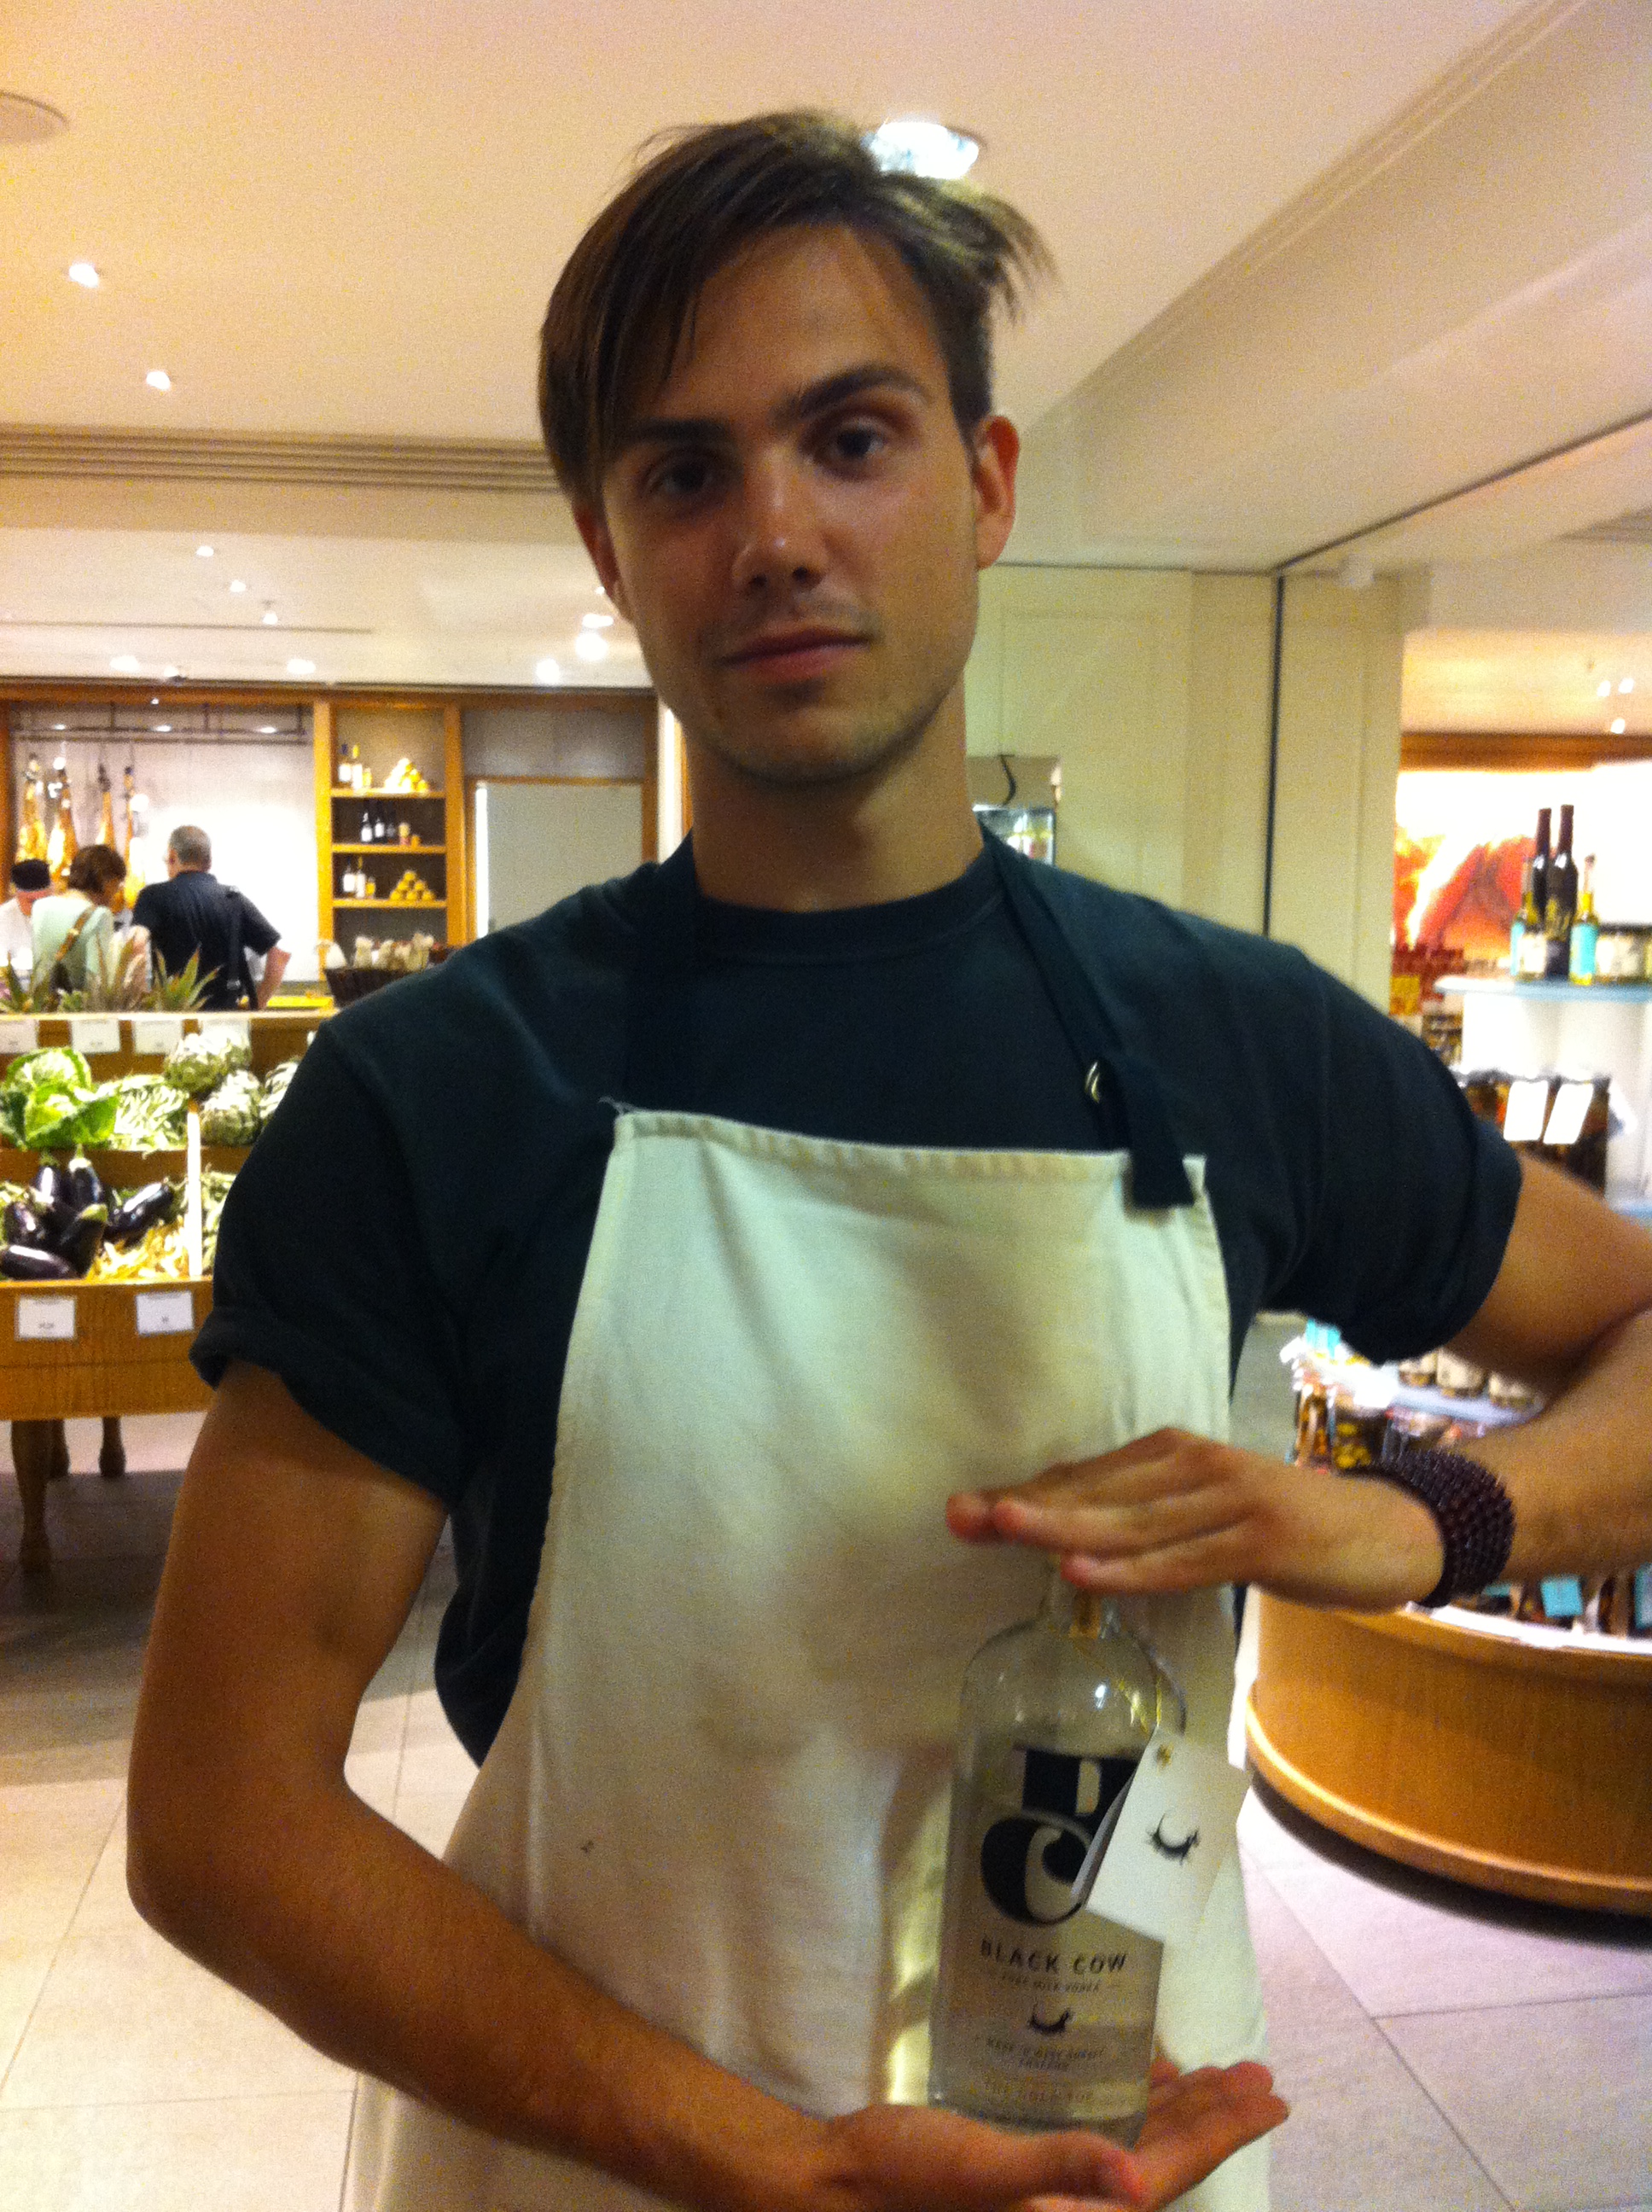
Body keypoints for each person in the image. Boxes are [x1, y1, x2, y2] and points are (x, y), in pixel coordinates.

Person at [127, 114, 1652, 2212]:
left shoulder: (1234, 1036)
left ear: (986, 481)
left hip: (1119, 2154)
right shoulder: (437, 1091)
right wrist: (786, 2162)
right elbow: (220, 1819)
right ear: (609, 544)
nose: (773, 531)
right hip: (611, 2162)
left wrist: (1420, 1521)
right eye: (683, 471)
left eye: (849, 437)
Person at [130, 824, 289, 1009]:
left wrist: (141, 1001)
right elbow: (279, 954)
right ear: (209, 861)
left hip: (174, 1017)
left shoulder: (153, 896)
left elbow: (136, 943)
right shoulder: (233, 899)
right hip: (225, 1019)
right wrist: (258, 1005)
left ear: (172, 856)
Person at [30, 843, 131, 992]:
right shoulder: (100, 916)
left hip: (42, 1007)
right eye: (117, 884)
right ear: (106, 880)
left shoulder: (40, 907)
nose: (116, 892)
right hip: (76, 1010)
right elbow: (97, 982)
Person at [0, 857, 51, 983]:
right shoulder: (3, 916)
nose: (38, 907)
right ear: (16, 894)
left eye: (43, 900)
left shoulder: (59, 913)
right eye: (31, 901)